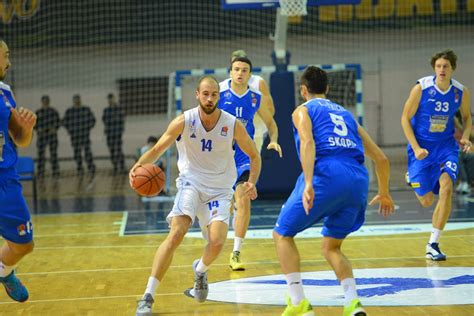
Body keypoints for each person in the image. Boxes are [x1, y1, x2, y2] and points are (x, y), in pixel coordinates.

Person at [132, 76, 261, 315]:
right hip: (191, 184)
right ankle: (147, 296)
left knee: (217, 241)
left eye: (214, 94)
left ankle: (200, 271)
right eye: (205, 94)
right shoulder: (184, 120)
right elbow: (158, 149)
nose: (210, 98)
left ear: (219, 97)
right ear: (198, 95)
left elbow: (255, 155)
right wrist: (138, 166)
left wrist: (251, 181)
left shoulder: (232, 124)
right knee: (176, 234)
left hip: (221, 190)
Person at [273, 66, 394, 316]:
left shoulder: (302, 110)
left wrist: (308, 182)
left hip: (327, 174)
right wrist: (384, 193)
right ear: (328, 89)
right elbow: (381, 159)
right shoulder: (348, 116)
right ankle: (352, 302)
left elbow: (307, 142)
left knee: (282, 234)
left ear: (303, 90)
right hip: (358, 179)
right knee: (332, 247)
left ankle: (298, 302)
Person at [401, 49, 471, 261]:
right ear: (434, 68)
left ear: (452, 69)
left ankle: (433, 243)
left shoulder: (460, 91)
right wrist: (415, 148)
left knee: (447, 188)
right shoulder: (421, 88)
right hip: (421, 147)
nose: (442, 70)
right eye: (439, 66)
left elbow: (467, 118)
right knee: (426, 201)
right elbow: (405, 118)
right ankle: (411, 177)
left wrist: (466, 137)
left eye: (446, 66)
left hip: (446, 147)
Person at [218, 56, 282, 271]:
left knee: (244, 198)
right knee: (218, 209)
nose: (240, 73)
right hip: (219, 156)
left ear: (249, 74)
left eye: (244, 70)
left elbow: (272, 123)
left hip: (244, 155)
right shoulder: (218, 93)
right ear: (230, 72)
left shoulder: (255, 97)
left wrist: (273, 140)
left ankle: (236, 252)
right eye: (236, 69)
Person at [0, 39, 37, 303]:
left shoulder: (5, 92)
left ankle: (4, 271)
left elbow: (20, 139)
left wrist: (26, 128)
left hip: (5, 179)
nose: (9, 62)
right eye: (5, 55)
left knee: (25, 244)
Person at [230, 50, 276, 152]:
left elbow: (270, 110)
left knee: (252, 164)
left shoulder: (258, 81)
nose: (239, 72)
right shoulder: (227, 85)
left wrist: (254, 113)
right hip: (234, 133)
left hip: (255, 132)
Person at [62, 94, 96, 176]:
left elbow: (93, 120)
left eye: (78, 99)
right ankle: (80, 168)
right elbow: (64, 122)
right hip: (75, 136)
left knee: (87, 152)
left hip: (84, 135)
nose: (77, 101)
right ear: (73, 101)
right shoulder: (69, 111)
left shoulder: (86, 109)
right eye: (75, 100)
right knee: (77, 154)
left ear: (80, 100)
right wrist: (70, 130)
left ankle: (91, 168)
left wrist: (87, 128)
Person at [34, 95, 60, 177]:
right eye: (44, 101)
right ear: (42, 102)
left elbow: (58, 122)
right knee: (41, 155)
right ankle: (41, 172)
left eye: (47, 101)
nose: (45, 102)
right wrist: (38, 129)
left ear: (49, 101)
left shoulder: (53, 111)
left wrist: (54, 128)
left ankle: (55, 172)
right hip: (41, 136)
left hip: (52, 136)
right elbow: (33, 124)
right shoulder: (38, 112)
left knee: (53, 155)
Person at [102, 93, 126, 174]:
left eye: (111, 98)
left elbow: (121, 120)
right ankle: (115, 167)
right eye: (109, 99)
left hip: (117, 133)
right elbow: (105, 121)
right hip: (109, 134)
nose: (110, 100)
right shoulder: (106, 110)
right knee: (112, 151)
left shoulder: (118, 109)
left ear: (114, 99)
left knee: (119, 150)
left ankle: (122, 167)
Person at [454, 111, 474, 194]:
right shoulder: (452, 130)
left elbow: (471, 137)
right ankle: (463, 182)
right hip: (458, 151)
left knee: (470, 157)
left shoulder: (470, 127)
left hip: (469, 151)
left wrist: (459, 125)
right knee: (458, 157)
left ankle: (466, 182)